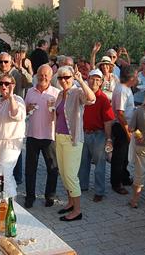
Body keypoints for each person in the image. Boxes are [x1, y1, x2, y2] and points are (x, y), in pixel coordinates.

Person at [55, 66, 95, 221]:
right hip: (59, 137)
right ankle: (70, 202)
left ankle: (77, 210)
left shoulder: (77, 91)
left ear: (72, 78)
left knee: (71, 175)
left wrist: (81, 81)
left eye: (67, 77)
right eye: (60, 78)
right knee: (64, 174)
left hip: (73, 139)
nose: (64, 80)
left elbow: (92, 98)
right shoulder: (60, 94)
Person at [24, 64, 60, 208]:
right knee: (30, 169)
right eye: (41, 74)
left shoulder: (56, 93)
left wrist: (54, 110)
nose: (43, 77)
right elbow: (24, 112)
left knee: (52, 168)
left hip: (49, 136)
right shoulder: (30, 92)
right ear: (36, 75)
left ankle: (50, 196)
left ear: (51, 77)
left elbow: (61, 115)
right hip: (32, 135)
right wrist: (27, 109)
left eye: (46, 75)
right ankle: (30, 196)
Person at [78, 69, 115, 202]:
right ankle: (82, 186)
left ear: (101, 82)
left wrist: (108, 139)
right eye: (92, 78)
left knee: (100, 164)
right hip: (84, 132)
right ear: (87, 80)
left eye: (97, 79)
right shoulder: (82, 95)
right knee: (83, 162)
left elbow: (108, 121)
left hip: (98, 134)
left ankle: (99, 191)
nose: (94, 81)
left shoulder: (103, 98)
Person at [0, 52, 32, 184]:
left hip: (16, 112)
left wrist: (21, 68)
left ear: (10, 62)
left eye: (6, 62)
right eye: (0, 62)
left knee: (15, 148)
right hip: (2, 114)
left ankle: (16, 177)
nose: (3, 64)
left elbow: (29, 82)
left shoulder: (17, 73)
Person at [111, 66, 138, 195]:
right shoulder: (122, 90)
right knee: (119, 156)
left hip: (125, 124)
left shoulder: (126, 89)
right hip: (121, 126)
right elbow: (120, 113)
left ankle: (124, 177)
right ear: (132, 77)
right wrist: (127, 129)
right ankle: (116, 183)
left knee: (124, 156)